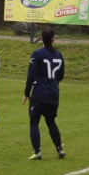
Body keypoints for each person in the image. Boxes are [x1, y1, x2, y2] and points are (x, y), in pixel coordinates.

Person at [23, 28, 65, 160]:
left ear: (41, 38)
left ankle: (37, 152)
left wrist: (27, 92)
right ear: (53, 39)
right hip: (54, 93)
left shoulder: (37, 54)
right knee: (51, 121)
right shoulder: (59, 55)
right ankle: (59, 149)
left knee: (34, 122)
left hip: (39, 93)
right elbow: (61, 75)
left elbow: (31, 75)